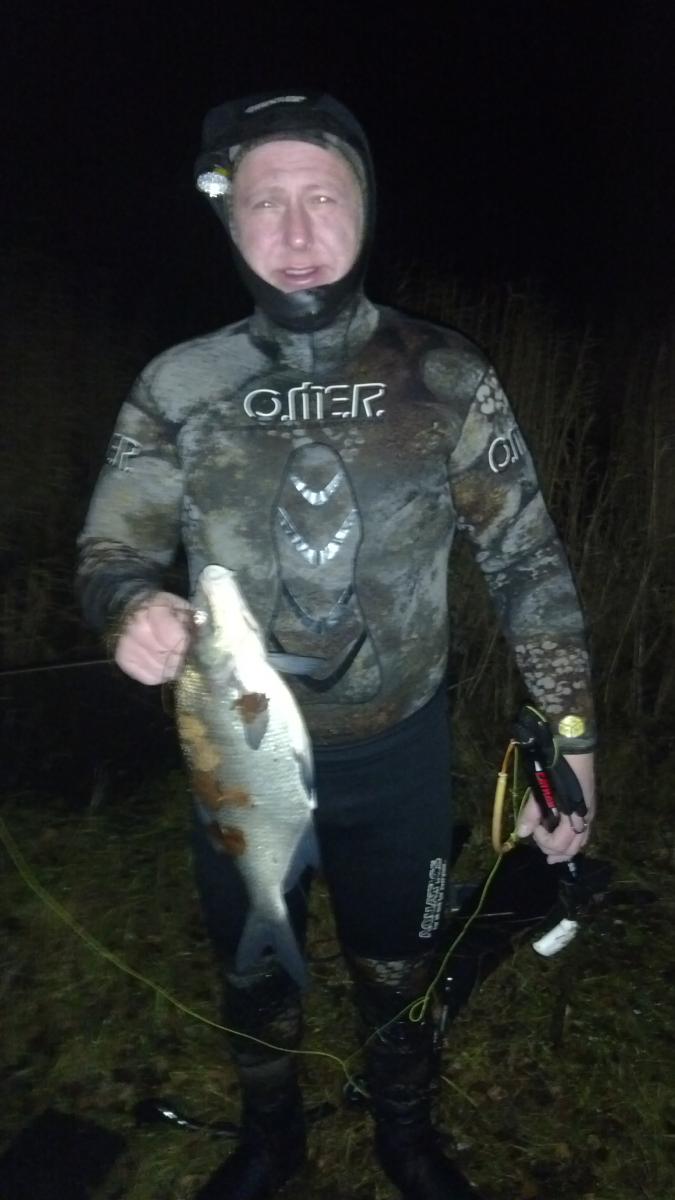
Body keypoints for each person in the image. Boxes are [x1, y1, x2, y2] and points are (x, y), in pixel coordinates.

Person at [77, 91, 596, 1200]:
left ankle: (405, 1131)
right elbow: (112, 547)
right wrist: (128, 606)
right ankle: (271, 1139)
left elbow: (527, 562)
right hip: (232, 759)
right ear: (229, 220)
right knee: (252, 968)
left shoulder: (444, 373)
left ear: (365, 207)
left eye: (324, 196)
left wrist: (571, 735)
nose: (298, 230)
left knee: (399, 967)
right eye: (266, 202)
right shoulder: (180, 385)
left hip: (397, 758)